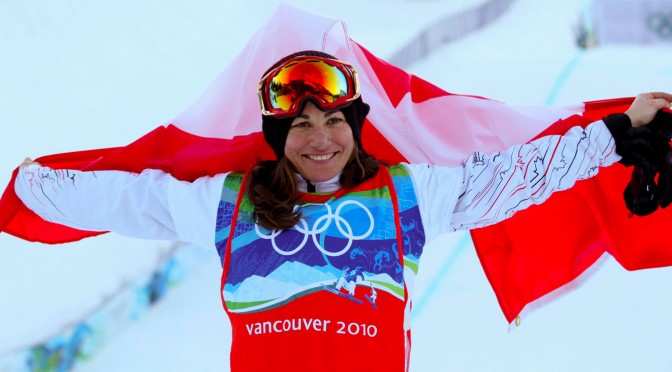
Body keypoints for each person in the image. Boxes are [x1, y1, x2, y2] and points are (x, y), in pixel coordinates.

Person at [14, 50, 672, 371]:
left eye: (333, 120)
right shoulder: (225, 206)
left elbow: (518, 175)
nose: (319, 138)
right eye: (299, 126)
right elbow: (122, 196)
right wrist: (27, 186)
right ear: (277, 138)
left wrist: (615, 134)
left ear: (357, 127)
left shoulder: (408, 197)